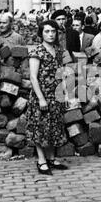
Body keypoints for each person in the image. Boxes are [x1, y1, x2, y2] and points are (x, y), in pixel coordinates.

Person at [27, 20, 69, 176]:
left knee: (54, 126)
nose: (51, 34)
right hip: (41, 95)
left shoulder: (58, 51)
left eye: (53, 31)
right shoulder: (36, 51)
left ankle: (51, 158)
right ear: (41, 33)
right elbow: (33, 77)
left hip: (55, 95)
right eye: (47, 31)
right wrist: (41, 99)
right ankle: (41, 160)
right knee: (40, 128)